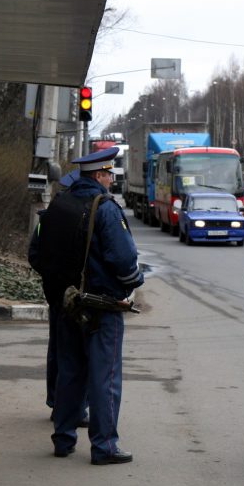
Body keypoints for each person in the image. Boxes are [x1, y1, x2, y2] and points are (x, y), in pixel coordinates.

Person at [32, 147, 144, 465]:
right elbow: (123, 260)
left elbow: (38, 254)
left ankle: (63, 438)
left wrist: (62, 287)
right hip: (101, 307)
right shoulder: (104, 207)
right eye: (109, 175)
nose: (111, 181)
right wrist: (131, 285)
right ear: (99, 175)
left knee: (69, 371)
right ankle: (104, 445)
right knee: (104, 376)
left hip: (65, 303)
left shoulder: (58, 204)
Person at [28, 168, 87, 426]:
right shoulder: (79, 218)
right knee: (74, 353)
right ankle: (68, 406)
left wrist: (51, 277)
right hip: (73, 297)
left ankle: (57, 402)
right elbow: (36, 254)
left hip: (55, 293)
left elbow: (35, 255)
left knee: (58, 350)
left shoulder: (48, 218)